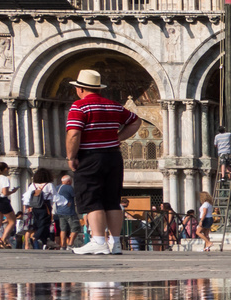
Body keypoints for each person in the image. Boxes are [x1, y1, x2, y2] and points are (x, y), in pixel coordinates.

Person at [65, 68, 142, 256]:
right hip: (113, 156)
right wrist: (118, 137)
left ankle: (98, 240)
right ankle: (115, 243)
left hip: (90, 156)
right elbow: (135, 121)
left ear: (81, 89)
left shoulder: (79, 106)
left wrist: (71, 157)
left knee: (92, 198)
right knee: (112, 200)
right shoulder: (114, 106)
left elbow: (74, 134)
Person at [22, 168, 56, 250]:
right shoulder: (48, 185)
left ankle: (44, 241)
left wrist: (26, 207)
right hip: (45, 206)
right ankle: (35, 237)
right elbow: (55, 196)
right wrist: (65, 202)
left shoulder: (32, 185)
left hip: (34, 207)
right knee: (45, 223)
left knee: (37, 224)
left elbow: (26, 197)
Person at [53, 173, 80, 249]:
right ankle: (70, 244)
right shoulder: (69, 188)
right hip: (69, 211)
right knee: (76, 227)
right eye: (70, 181)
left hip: (60, 212)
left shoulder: (57, 187)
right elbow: (75, 196)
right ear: (68, 181)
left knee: (63, 229)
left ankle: (63, 245)